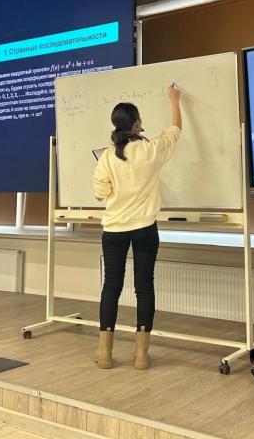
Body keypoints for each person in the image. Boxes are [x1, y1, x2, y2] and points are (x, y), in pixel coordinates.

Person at [91, 84, 182, 369]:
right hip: (145, 229)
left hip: (114, 230)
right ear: (136, 124)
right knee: (144, 287)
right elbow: (175, 131)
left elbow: (100, 193)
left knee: (111, 287)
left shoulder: (107, 156)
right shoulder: (151, 149)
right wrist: (174, 101)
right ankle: (141, 355)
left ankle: (105, 353)